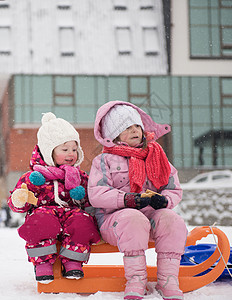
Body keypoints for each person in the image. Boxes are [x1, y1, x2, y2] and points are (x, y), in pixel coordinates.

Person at [88, 101, 188, 300]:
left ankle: (168, 279)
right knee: (133, 218)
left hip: (150, 217)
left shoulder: (157, 155)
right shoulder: (104, 160)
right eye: (126, 128)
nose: (134, 131)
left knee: (172, 220)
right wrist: (126, 199)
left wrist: (164, 201)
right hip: (115, 222)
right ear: (115, 135)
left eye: (136, 126)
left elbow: (173, 188)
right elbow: (96, 193)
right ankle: (136, 279)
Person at [8, 112, 100, 283]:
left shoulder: (80, 176)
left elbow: (90, 199)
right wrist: (19, 199)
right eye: (64, 149)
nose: (71, 153)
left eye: (74, 149)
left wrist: (90, 206)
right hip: (45, 214)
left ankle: (73, 261)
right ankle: (42, 263)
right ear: (48, 151)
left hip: (71, 214)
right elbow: (18, 204)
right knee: (41, 220)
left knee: (82, 221)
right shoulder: (34, 177)